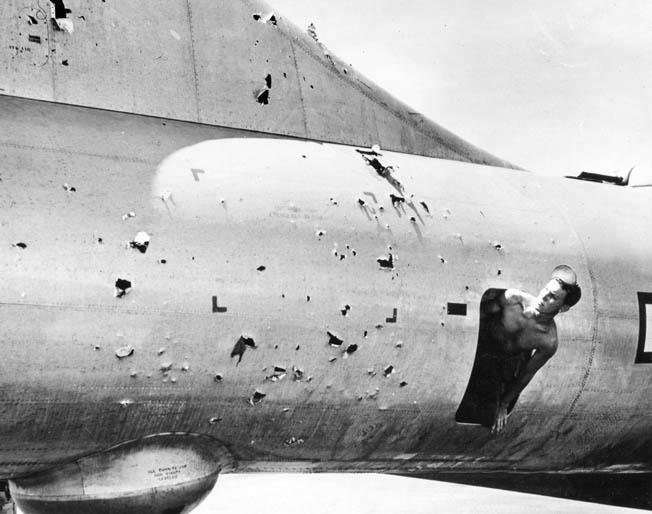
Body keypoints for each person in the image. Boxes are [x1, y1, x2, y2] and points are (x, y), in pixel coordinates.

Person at [481, 265, 582, 434]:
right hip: (477, 352)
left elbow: (526, 374)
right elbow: (479, 316)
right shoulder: (513, 299)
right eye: (545, 290)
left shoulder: (548, 341)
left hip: (496, 368)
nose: (543, 297)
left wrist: (504, 404)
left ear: (563, 308)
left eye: (553, 297)